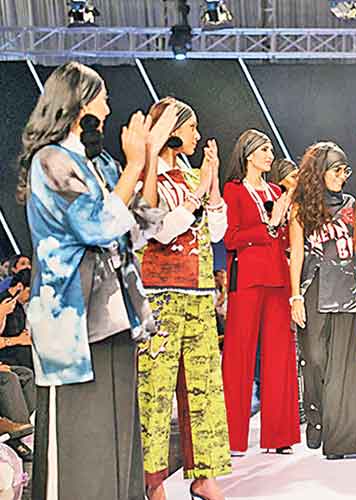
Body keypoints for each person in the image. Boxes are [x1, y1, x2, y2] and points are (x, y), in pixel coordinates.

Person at [20, 61, 173, 500]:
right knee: (82, 441)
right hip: (71, 321)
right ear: (81, 103)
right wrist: (134, 163)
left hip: (114, 317)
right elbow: (97, 225)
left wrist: (148, 161)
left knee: (117, 436)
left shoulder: (98, 162)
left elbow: (140, 225)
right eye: (102, 99)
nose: (107, 108)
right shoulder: (50, 161)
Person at [136, 97, 231, 500]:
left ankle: (204, 475)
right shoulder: (145, 176)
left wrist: (212, 182)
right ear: (172, 131)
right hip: (159, 296)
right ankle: (152, 480)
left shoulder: (193, 175)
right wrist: (197, 196)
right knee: (155, 391)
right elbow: (161, 231)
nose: (197, 135)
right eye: (191, 127)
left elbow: (217, 231)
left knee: (204, 388)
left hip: (199, 293)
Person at [289, 141, 356, 460]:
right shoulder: (302, 207)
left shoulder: (353, 204)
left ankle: (341, 436)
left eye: (344, 170)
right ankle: (316, 418)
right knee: (314, 358)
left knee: (344, 364)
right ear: (320, 172)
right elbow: (297, 255)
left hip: (348, 289)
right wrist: (295, 296)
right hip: (314, 287)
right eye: (336, 170)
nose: (342, 176)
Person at [222, 129, 300, 457]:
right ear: (248, 154)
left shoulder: (275, 191)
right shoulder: (233, 190)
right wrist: (269, 224)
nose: (270, 155)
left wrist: (287, 219)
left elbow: (284, 237)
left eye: (270, 149)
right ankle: (232, 437)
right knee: (238, 357)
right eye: (264, 149)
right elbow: (230, 238)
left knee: (281, 356)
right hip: (247, 279)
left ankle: (280, 436)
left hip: (277, 278)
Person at [0, 269, 33, 369]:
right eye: (29, 292)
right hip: (8, 361)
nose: (29, 297)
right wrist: (18, 340)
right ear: (19, 286)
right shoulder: (3, 302)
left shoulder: (19, 306)